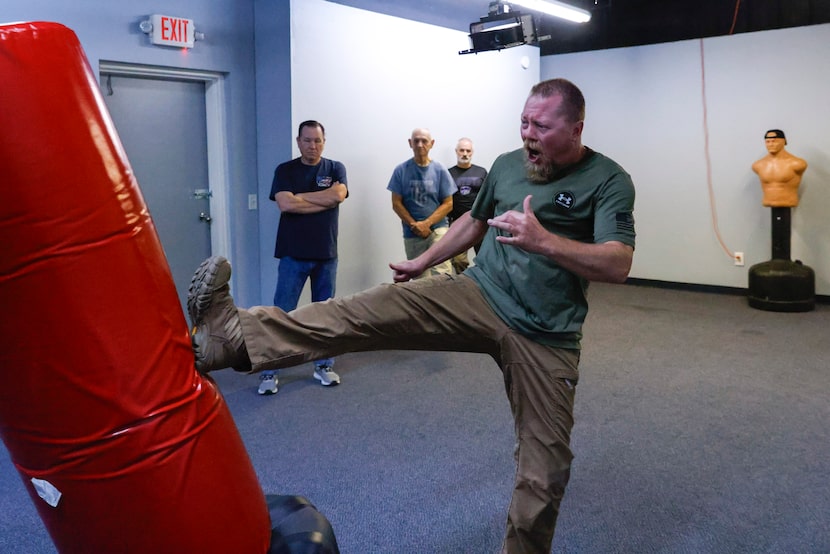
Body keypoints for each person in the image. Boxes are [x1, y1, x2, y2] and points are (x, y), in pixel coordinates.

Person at [188, 78, 635, 553]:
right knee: (365, 311)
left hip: (547, 334)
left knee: (545, 472)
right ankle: (232, 338)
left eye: (541, 126)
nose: (528, 134)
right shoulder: (508, 165)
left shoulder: (607, 180)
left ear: (576, 128)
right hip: (481, 294)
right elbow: (472, 220)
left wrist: (543, 240)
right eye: (524, 121)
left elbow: (618, 262)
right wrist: (423, 261)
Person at [258, 120, 348, 395]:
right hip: (293, 254)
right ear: (298, 141)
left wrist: (301, 200)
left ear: (324, 141)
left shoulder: (335, 168)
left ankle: (323, 366)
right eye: (307, 140)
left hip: (326, 254)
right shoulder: (285, 170)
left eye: (317, 140)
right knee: (281, 314)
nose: (313, 145)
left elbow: (339, 195)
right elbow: (284, 203)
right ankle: (269, 371)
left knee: (324, 314)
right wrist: (322, 199)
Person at [387, 128, 457, 278]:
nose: (420, 145)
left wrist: (426, 223)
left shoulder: (440, 170)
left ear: (431, 144)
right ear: (410, 143)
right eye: (416, 141)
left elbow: (448, 203)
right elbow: (396, 203)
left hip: (438, 230)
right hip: (412, 233)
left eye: (424, 141)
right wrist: (415, 225)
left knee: (442, 274)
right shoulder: (401, 170)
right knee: (419, 278)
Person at [447, 137, 488, 274]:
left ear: (472, 152)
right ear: (456, 151)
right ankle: (462, 285)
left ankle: (482, 286)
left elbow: (489, 197)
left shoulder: (482, 172)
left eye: (468, 150)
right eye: (462, 150)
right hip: (458, 224)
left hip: (479, 222)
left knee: (484, 259)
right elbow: (444, 200)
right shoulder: (448, 174)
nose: (465, 153)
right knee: (458, 261)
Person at [751, 129, 807, 208]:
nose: (771, 144)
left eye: (774, 141)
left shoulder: (797, 164)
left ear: (783, 141)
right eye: (768, 142)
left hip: (788, 202)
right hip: (767, 201)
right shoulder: (758, 165)